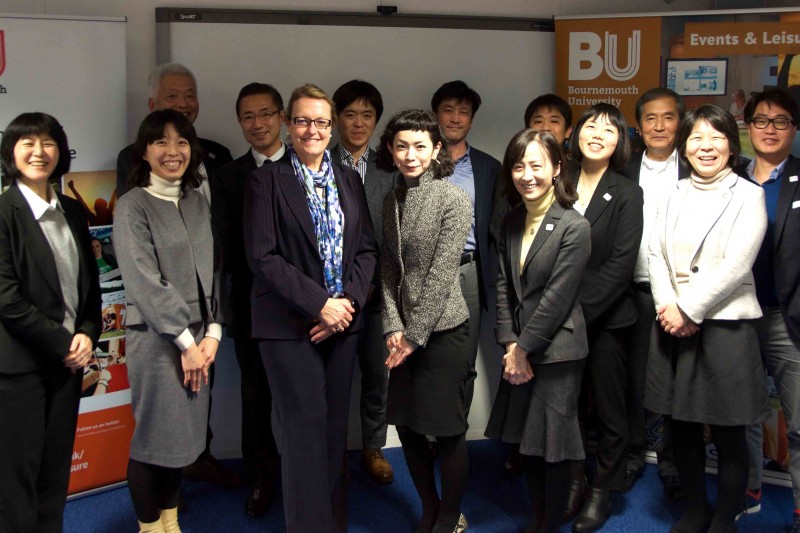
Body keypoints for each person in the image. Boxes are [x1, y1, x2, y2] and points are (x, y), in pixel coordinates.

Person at [243, 83, 377, 533]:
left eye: (321, 121)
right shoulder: (266, 180)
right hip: (287, 327)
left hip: (344, 325)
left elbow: (366, 251)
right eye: (302, 121)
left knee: (334, 434)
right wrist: (319, 305)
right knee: (303, 434)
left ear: (331, 125)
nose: (312, 130)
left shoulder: (349, 179)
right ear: (288, 124)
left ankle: (333, 525)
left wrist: (346, 305)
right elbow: (263, 257)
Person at [646, 104, 769, 533]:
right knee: (680, 426)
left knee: (729, 431)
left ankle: (725, 517)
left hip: (726, 327)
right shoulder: (672, 193)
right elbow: (655, 254)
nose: (706, 146)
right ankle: (696, 509)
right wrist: (668, 306)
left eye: (716, 138)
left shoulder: (748, 195)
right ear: (684, 146)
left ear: (731, 146)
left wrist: (689, 309)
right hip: (673, 325)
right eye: (697, 138)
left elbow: (737, 264)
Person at [116, 62, 237, 489]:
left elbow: (217, 246)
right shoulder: (134, 193)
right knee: (157, 432)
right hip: (161, 325)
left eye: (189, 95)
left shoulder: (215, 158)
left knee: (195, 409)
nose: (183, 102)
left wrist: (214, 328)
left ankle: (197, 460)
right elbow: (143, 265)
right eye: (172, 96)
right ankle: (161, 504)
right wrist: (185, 338)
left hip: (206, 318)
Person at [485, 129, 591, 533]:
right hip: (520, 350)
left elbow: (557, 299)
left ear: (557, 168)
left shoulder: (574, 226)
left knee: (554, 445)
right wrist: (509, 342)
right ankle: (538, 520)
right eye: (518, 166)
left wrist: (523, 349)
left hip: (557, 351)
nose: (526, 175)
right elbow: (503, 285)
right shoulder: (513, 219)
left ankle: (550, 526)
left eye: (536, 165)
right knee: (528, 444)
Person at [0, 112, 102, 533]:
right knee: (15, 483)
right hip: (19, 371)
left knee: (55, 476)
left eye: (48, 142)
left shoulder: (73, 211)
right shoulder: (4, 212)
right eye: (27, 143)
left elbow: (90, 287)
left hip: (66, 368)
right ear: (10, 152)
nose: (39, 152)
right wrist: (65, 343)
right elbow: (7, 299)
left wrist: (88, 333)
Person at [378, 109, 472, 533]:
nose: (410, 155)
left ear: (436, 150)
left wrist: (413, 337)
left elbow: (441, 275)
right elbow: (388, 269)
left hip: (444, 333)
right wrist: (393, 326)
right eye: (401, 146)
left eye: (419, 146)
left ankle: (450, 516)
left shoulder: (453, 198)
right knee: (408, 427)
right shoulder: (391, 199)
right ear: (391, 149)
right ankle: (430, 507)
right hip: (404, 335)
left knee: (447, 431)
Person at [568, 103, 643, 533]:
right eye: (591, 126)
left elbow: (620, 264)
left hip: (606, 319)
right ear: (577, 133)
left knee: (610, 409)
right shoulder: (558, 181)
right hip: (558, 317)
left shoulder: (628, 192)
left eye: (609, 130)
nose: (597, 134)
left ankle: (603, 489)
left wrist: (577, 313)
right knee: (570, 405)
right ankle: (574, 481)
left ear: (620, 143)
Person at [209, 82, 283, 518]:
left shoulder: (308, 165)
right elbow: (225, 246)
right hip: (252, 305)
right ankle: (261, 478)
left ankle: (306, 477)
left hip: (307, 309)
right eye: (248, 116)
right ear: (239, 122)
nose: (258, 124)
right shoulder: (226, 177)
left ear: (282, 118)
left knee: (303, 398)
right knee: (255, 398)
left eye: (266, 113)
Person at [736, 89, 800, 531]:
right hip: (737, 316)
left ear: (793, 129)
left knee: (798, 422)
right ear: (748, 126)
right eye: (761, 120)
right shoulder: (730, 177)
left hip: (786, 316)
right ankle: (749, 489)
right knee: (743, 414)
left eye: (781, 121)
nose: (770, 129)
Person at [620, 87, 689, 499]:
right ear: (638, 125)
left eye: (668, 117)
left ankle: (672, 457)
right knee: (632, 377)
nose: (659, 126)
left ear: (680, 122)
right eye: (650, 118)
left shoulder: (697, 167)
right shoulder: (623, 168)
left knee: (678, 378)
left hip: (683, 297)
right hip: (632, 291)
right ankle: (633, 452)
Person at [331, 79, 397, 485]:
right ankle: (331, 450)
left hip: (376, 295)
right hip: (330, 298)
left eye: (367, 115)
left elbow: (394, 236)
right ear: (336, 118)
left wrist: (374, 283)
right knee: (332, 381)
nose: (358, 123)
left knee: (376, 376)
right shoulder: (318, 163)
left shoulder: (390, 169)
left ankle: (373, 447)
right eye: (351, 114)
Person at [432, 81, 501, 418]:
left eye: (463, 112)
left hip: (469, 271)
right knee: (427, 357)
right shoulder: (417, 162)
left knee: (463, 362)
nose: (455, 118)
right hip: (425, 272)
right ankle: (428, 434)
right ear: (436, 115)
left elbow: (497, 228)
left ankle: (454, 433)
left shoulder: (489, 168)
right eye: (448, 110)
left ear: (472, 120)